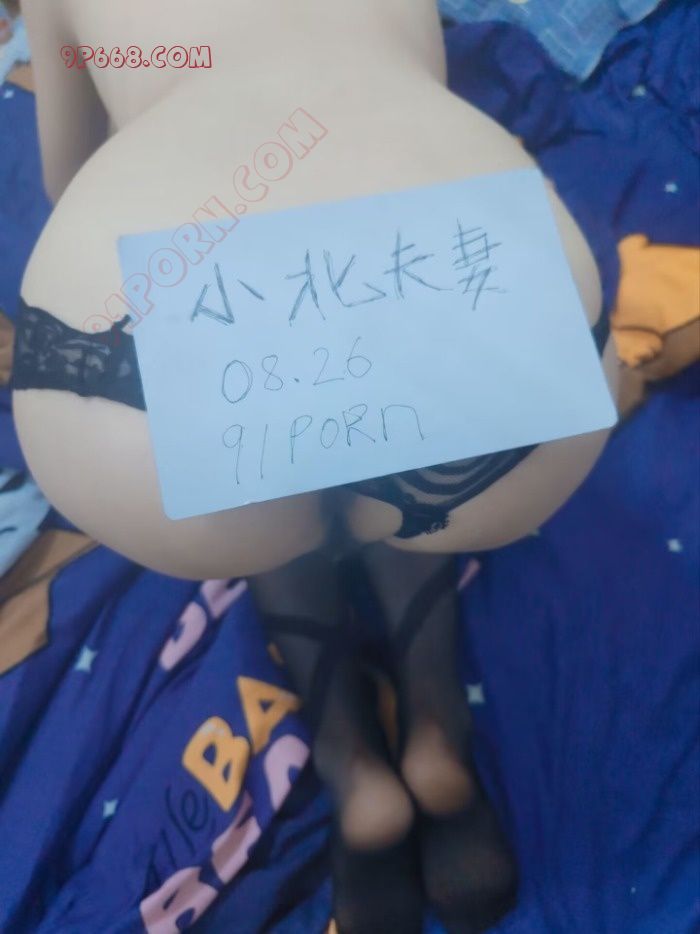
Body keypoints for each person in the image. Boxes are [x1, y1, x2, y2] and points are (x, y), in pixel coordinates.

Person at [12, 0, 617, 930]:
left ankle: (355, 774)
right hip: (486, 288)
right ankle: (438, 739)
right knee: (404, 442)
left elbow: (67, 175)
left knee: (253, 470)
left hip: (124, 363)